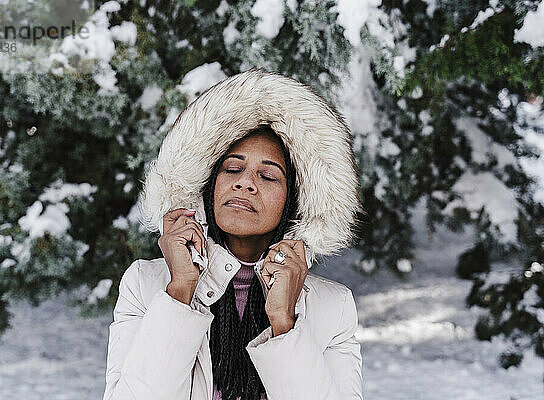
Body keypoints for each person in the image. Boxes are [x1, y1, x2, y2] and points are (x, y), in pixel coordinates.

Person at [102, 68, 364, 400]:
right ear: (209, 184)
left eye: (267, 176)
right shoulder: (146, 285)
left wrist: (284, 321)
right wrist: (181, 291)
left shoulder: (332, 308)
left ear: (295, 201)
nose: (245, 183)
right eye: (232, 168)